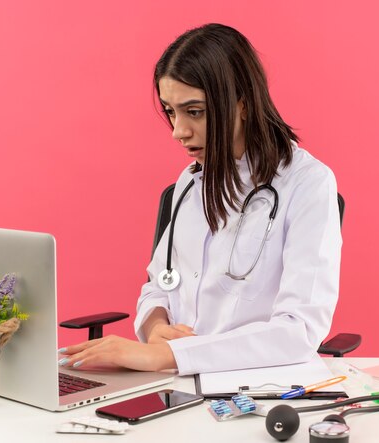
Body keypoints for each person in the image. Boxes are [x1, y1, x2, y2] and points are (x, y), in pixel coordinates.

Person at [59, 23, 342, 375]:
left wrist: (169, 356)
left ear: (242, 104)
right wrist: (155, 326)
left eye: (195, 112)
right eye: (170, 112)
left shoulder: (307, 184)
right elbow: (159, 285)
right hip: (174, 381)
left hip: (256, 385)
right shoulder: (191, 182)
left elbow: (299, 331)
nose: (179, 131)